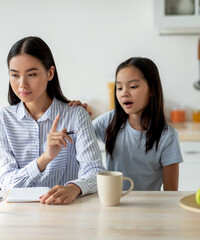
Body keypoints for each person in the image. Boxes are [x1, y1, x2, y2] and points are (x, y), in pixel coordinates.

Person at [0, 36, 105, 205]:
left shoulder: (76, 115)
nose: (22, 84)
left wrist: (74, 188)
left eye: (31, 74)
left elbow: (95, 171)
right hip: (19, 217)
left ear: (50, 73)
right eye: (15, 75)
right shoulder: (2, 119)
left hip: (66, 212)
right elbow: (7, 184)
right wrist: (45, 158)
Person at [69, 57, 183, 191]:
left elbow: (171, 192)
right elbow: (76, 139)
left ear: (152, 89)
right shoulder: (110, 120)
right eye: (119, 88)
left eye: (133, 86)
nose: (124, 93)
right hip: (113, 203)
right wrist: (78, 116)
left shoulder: (167, 136)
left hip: (149, 208)